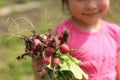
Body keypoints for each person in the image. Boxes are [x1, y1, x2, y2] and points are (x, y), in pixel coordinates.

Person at [32, 0, 120, 80]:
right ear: (66, 1)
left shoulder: (115, 32)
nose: (91, 5)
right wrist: (39, 74)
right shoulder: (57, 38)